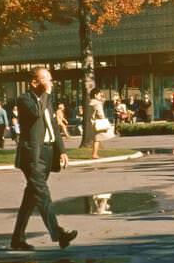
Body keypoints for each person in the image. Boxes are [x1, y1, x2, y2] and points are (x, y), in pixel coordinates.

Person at [10, 68, 78, 251]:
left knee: (31, 198)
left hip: (47, 153)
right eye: (46, 78)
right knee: (42, 193)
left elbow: (53, 125)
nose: (50, 82)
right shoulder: (25, 99)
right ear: (34, 82)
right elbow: (36, 114)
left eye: (50, 78)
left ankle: (17, 239)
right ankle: (58, 233)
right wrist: (46, 94)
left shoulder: (47, 101)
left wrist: (62, 150)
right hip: (32, 155)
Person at [88, 91, 114, 159]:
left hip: (93, 121)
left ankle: (95, 153)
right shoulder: (97, 104)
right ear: (95, 95)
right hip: (98, 121)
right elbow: (100, 113)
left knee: (97, 138)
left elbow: (103, 100)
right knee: (97, 139)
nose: (100, 96)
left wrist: (102, 97)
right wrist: (104, 118)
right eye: (99, 95)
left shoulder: (91, 102)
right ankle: (94, 154)